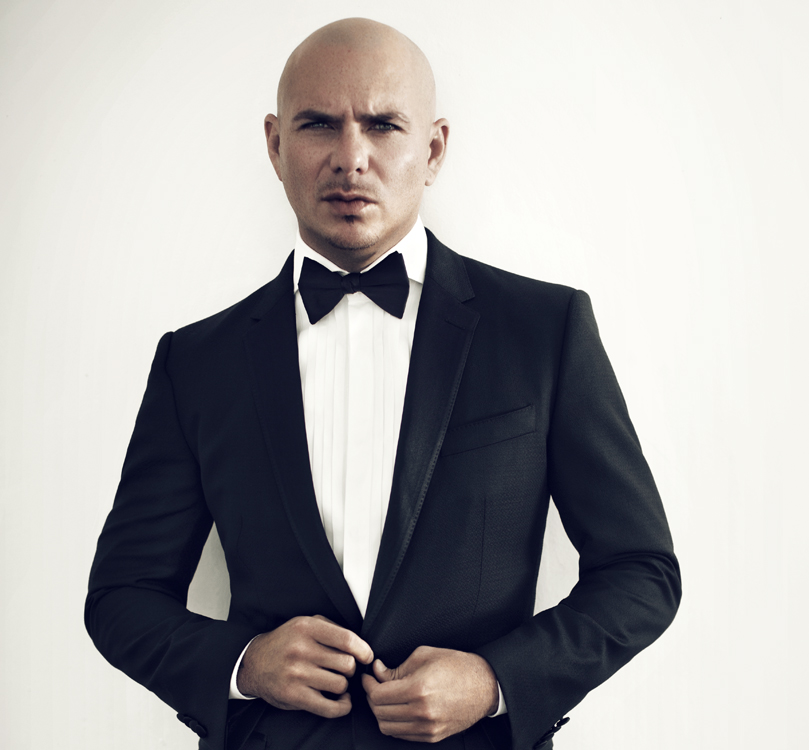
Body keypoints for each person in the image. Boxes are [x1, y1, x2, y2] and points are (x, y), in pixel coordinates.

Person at [86, 17, 681, 750]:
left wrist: (495, 681)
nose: (351, 158)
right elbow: (122, 597)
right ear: (274, 145)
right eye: (317, 125)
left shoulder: (544, 330)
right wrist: (245, 664)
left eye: (382, 125)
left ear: (432, 149)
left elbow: (640, 572)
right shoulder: (196, 361)